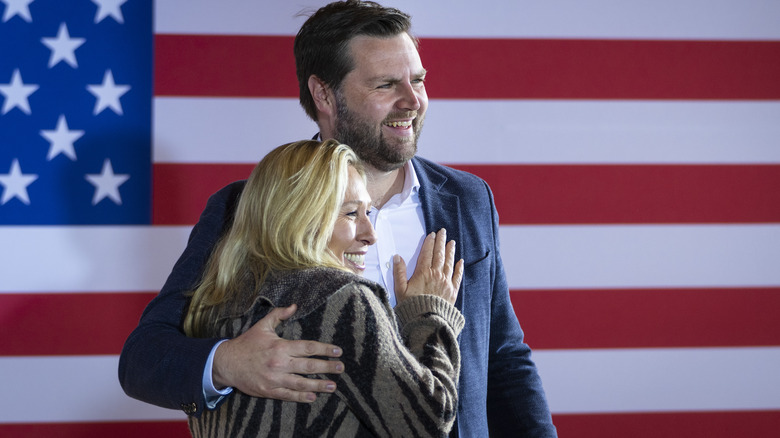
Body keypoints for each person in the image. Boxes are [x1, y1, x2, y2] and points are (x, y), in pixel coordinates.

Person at [119, 1, 557, 436]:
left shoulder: (468, 198)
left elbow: (503, 357)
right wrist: (229, 362)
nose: (412, 101)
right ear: (323, 94)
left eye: (418, 80)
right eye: (386, 85)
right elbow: (143, 358)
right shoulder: (245, 207)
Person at [185, 139, 464, 437]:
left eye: (367, 213)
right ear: (299, 217)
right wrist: (429, 315)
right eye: (351, 214)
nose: (371, 235)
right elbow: (429, 423)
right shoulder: (344, 300)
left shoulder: (214, 297)